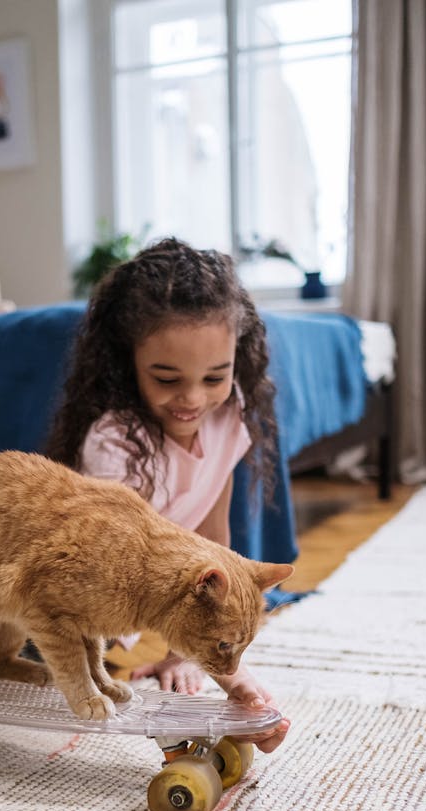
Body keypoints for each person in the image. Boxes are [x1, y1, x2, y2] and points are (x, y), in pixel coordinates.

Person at [45, 237, 289, 754]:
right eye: (167, 378)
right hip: (97, 612)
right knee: (102, 670)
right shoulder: (114, 446)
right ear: (127, 360)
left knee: (199, 652)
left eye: (214, 377)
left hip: (166, 607)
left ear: (235, 362)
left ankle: (195, 675)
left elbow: (216, 540)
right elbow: (119, 588)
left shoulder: (230, 416)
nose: (193, 398)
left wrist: (191, 655)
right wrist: (229, 677)